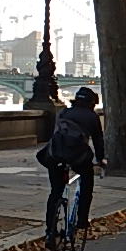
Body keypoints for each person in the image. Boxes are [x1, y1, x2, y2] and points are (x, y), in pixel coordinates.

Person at [38, 86, 106, 240]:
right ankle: (82, 220)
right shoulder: (92, 116)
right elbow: (98, 141)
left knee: (55, 192)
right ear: (92, 103)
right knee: (87, 183)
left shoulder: (64, 113)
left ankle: (50, 231)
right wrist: (101, 159)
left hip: (56, 156)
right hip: (78, 158)